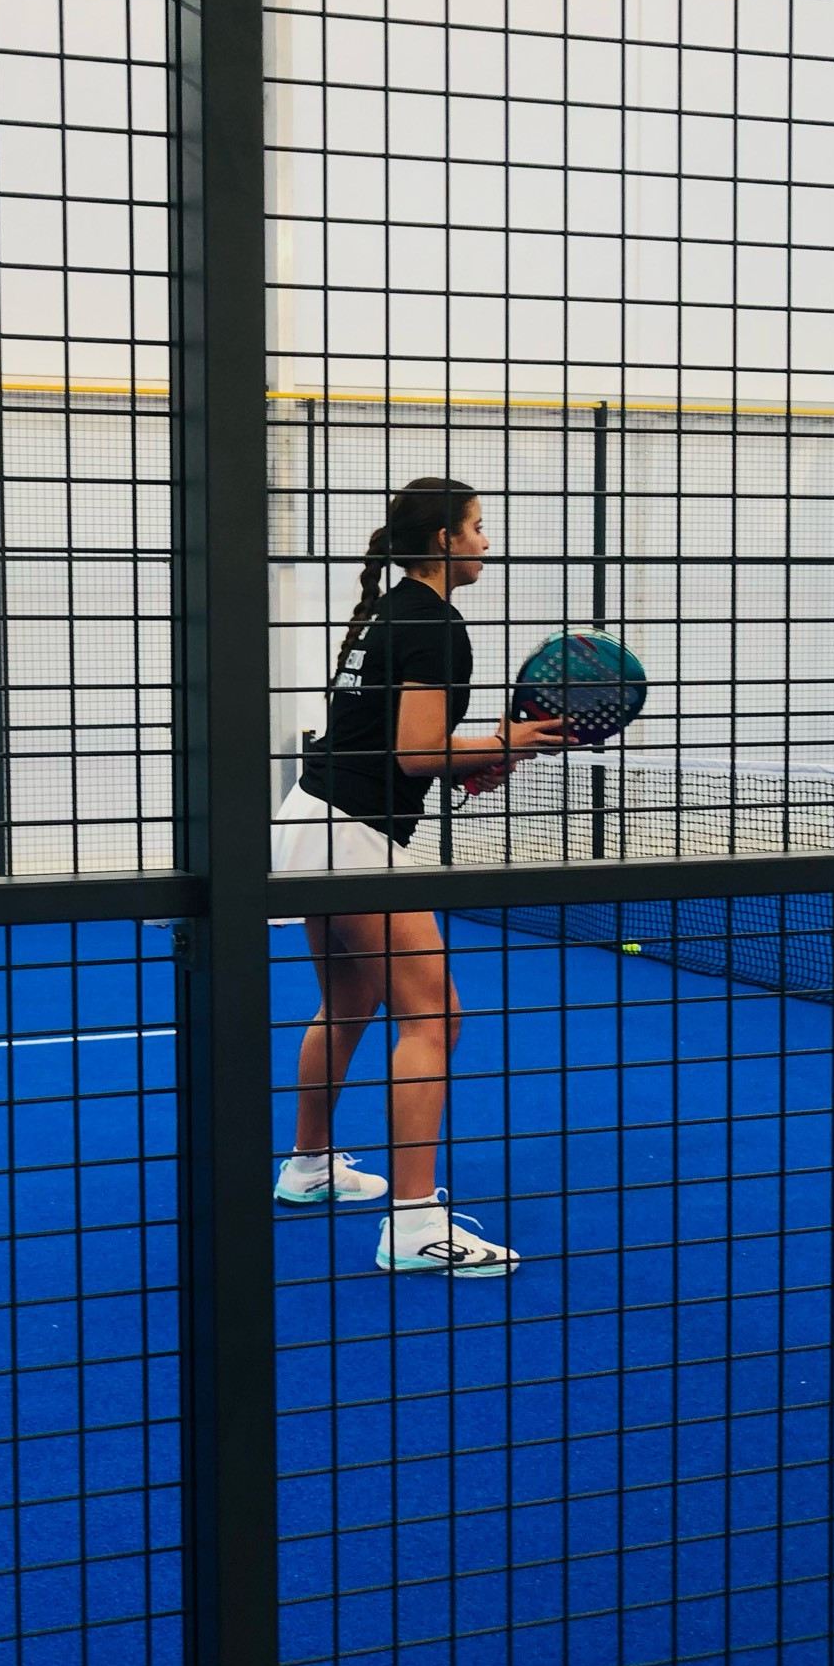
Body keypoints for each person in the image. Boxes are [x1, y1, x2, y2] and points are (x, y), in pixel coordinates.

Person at [270, 476, 568, 1276]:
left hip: (311, 818)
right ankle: (412, 1225)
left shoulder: (390, 611)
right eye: (477, 527)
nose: (485, 542)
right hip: (354, 836)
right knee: (434, 1019)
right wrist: (511, 741)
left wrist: (485, 756)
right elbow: (414, 753)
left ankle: (307, 1167)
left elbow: (395, 743)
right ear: (443, 540)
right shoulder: (435, 624)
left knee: (347, 1003)